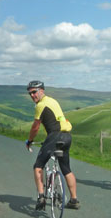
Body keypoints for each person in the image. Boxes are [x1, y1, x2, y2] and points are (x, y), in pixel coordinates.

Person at [25, 80, 80, 210]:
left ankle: (41, 197)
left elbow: (35, 127)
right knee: (66, 169)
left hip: (55, 136)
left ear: (42, 91)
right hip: (66, 136)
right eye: (30, 93)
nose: (32, 95)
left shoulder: (41, 105)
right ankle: (74, 200)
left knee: (38, 166)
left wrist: (30, 141)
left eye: (34, 92)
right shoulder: (53, 101)